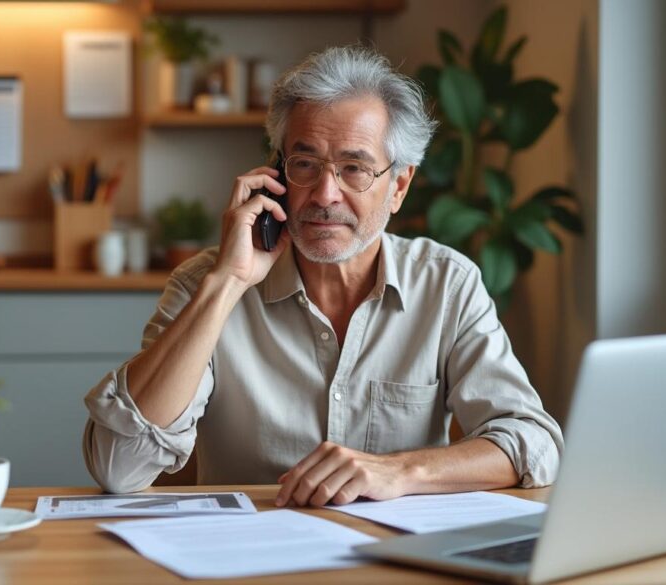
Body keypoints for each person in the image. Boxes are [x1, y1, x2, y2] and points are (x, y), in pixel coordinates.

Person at [83, 45, 563, 508]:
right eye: (305, 165)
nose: (324, 194)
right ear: (276, 174)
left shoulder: (447, 285)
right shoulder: (203, 284)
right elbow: (118, 467)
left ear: (398, 186)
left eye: (354, 168)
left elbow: (532, 442)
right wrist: (228, 282)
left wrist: (397, 471)